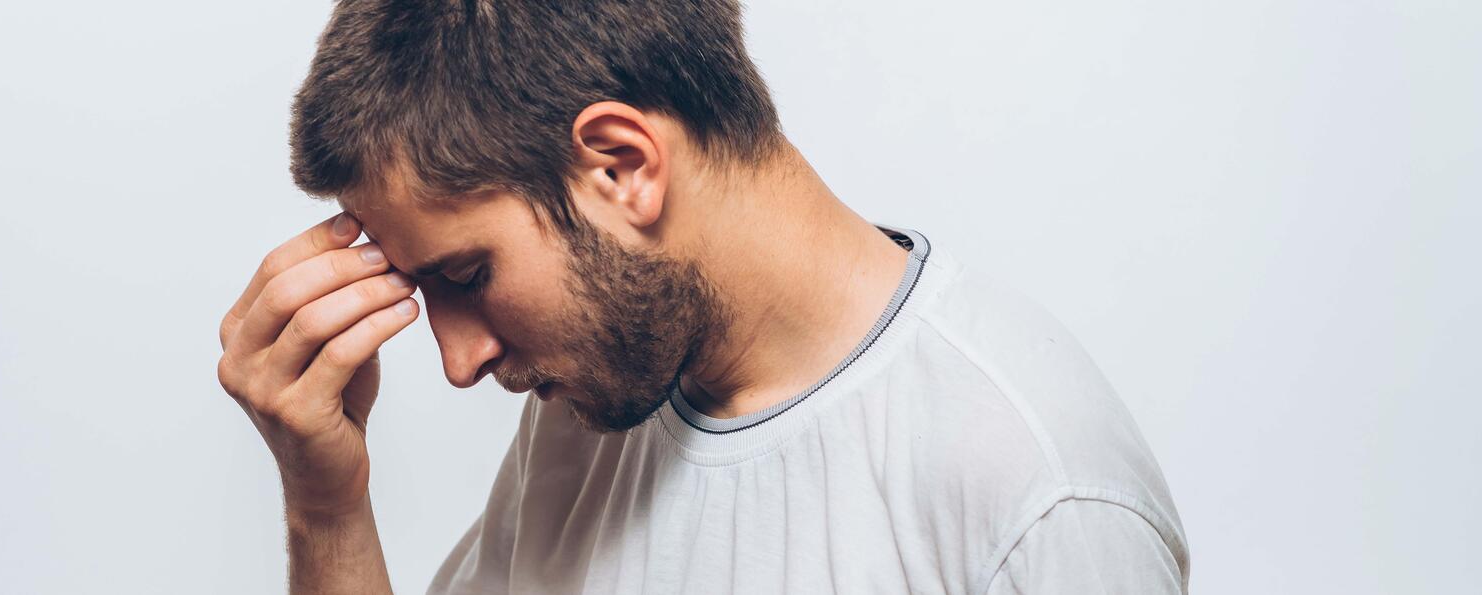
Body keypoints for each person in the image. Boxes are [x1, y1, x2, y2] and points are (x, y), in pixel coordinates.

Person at [216, 1, 1189, 593]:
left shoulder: (1037, 488)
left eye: (466, 277)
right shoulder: (592, 414)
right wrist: (326, 504)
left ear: (620, 165)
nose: (460, 360)